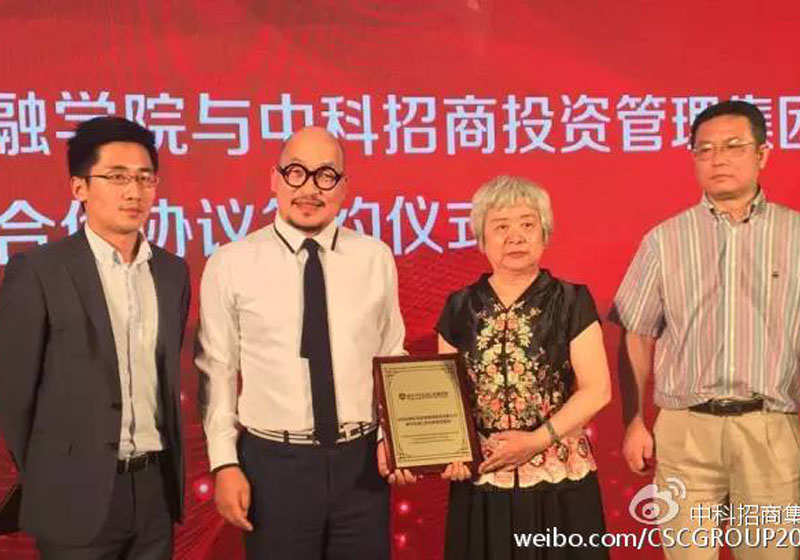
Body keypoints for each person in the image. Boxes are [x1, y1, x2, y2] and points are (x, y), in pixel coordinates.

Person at [196, 126, 406, 559]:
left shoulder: (374, 257)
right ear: (274, 179)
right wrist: (224, 462)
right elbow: (217, 369)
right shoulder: (232, 263)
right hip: (274, 465)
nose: (309, 189)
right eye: (296, 172)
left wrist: (395, 437)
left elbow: (392, 355)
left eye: (326, 176)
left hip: (362, 464)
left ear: (344, 187)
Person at [613, 100, 800, 559]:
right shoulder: (665, 240)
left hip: (771, 427)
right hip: (686, 430)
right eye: (705, 149)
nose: (718, 159)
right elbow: (636, 332)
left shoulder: (795, 234)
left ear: (763, 154)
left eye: (734, 147)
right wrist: (634, 420)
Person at [0, 116, 190, 559]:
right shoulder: (39, 271)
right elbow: (13, 395)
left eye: (145, 178)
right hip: (72, 492)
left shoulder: (171, 272)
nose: (134, 192)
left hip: (154, 489)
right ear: (79, 188)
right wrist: (52, 473)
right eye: (117, 177)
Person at [436, 175, 611, 560]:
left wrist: (536, 441)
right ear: (481, 239)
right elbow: (446, 395)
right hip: (484, 475)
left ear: (545, 234)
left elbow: (597, 389)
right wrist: (451, 450)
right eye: (500, 227)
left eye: (527, 224)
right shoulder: (458, 306)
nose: (515, 237)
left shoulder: (571, 300)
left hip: (559, 475)